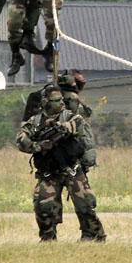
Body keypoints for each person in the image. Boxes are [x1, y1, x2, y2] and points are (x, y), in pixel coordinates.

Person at [16, 84, 106, 242]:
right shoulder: (35, 121)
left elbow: (77, 125)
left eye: (61, 99)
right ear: (46, 102)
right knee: (43, 206)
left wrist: (60, 128)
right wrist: (38, 145)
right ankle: (48, 238)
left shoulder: (70, 116)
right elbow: (21, 139)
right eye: (56, 100)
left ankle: (95, 236)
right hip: (49, 172)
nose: (61, 103)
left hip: (71, 169)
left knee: (85, 205)